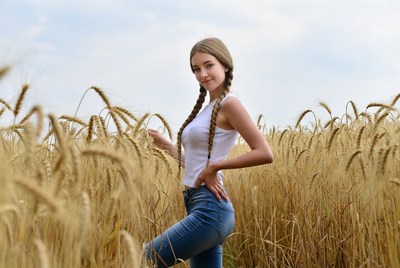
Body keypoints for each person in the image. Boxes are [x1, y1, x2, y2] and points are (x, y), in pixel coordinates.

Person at [145, 37, 273, 267]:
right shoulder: (208, 109)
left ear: (224, 64)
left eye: (208, 65)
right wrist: (164, 145)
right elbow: (197, 166)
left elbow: (264, 152)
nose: (202, 74)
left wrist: (216, 167)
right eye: (196, 69)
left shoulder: (230, 104)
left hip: (210, 210)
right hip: (197, 204)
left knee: (143, 259)